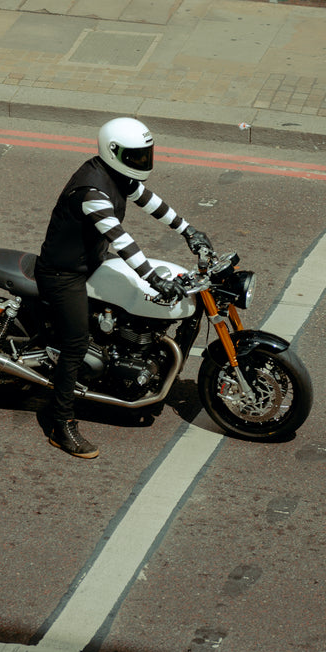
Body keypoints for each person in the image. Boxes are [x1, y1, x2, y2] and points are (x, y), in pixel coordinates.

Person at [35, 116, 211, 459]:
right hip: (63, 274)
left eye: (145, 154)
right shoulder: (91, 190)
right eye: (136, 155)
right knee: (74, 344)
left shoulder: (117, 176)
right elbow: (122, 240)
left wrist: (189, 230)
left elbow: (152, 202)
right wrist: (153, 278)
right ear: (113, 152)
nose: (142, 162)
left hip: (91, 262)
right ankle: (60, 424)